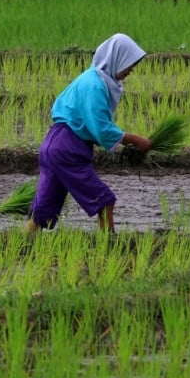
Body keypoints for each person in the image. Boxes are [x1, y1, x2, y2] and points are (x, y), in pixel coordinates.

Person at [24, 33, 152, 233]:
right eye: (129, 63)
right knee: (104, 201)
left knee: (43, 210)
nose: (131, 70)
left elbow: (92, 125)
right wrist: (134, 140)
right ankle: (109, 246)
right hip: (67, 149)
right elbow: (99, 127)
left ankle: (23, 245)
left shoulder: (92, 78)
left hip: (53, 145)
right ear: (116, 58)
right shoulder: (94, 85)